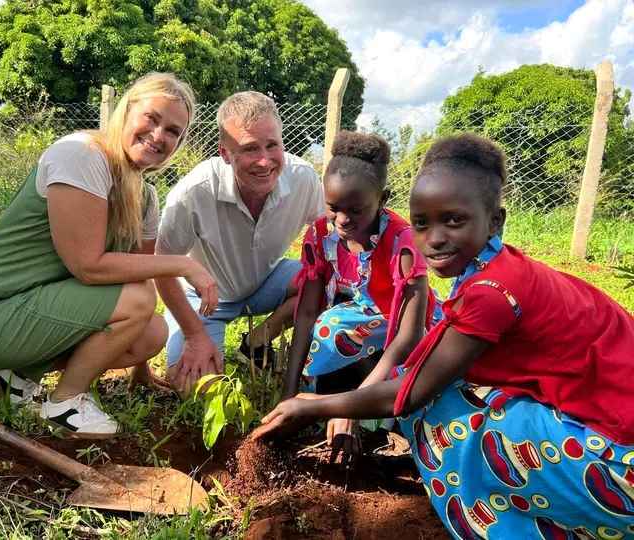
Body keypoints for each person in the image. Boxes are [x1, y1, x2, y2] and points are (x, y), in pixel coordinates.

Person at [253, 133, 634, 536]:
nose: (434, 239)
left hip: (621, 466)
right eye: (423, 223)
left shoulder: (493, 292)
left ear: (495, 220)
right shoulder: (497, 271)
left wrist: (312, 406)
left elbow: (411, 391)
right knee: (459, 394)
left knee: (437, 416)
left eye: (454, 220)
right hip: (608, 427)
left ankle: (504, 527)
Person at [0, 73, 218, 439]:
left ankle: (18, 372)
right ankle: (66, 401)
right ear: (126, 110)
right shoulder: (82, 156)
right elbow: (88, 266)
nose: (159, 135)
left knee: (151, 331)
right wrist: (185, 263)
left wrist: (141, 369)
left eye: (173, 131)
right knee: (137, 300)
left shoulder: (144, 196)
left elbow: (142, 272)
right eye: (152, 118)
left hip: (26, 305)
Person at [156, 91, 324, 394]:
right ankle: (198, 340)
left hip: (266, 281)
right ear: (224, 153)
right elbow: (161, 267)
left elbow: (330, 236)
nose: (265, 161)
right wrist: (195, 336)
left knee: (327, 281)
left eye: (272, 145)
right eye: (249, 149)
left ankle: (258, 339)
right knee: (196, 390)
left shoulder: (304, 179)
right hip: (203, 301)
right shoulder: (193, 193)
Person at [281, 130, 431, 454]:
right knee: (328, 329)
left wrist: (353, 405)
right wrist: (288, 393)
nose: (343, 220)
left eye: (357, 210)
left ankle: (363, 416)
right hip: (353, 324)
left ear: (383, 199)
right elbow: (306, 313)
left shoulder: (403, 242)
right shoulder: (320, 234)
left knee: (413, 410)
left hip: (399, 326)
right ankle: (335, 407)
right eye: (333, 207)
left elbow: (409, 336)